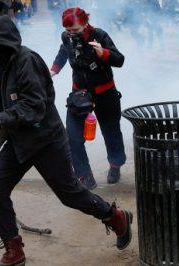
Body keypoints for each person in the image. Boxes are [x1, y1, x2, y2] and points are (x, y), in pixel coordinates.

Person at [0, 15, 133, 266]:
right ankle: (14, 250)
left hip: (46, 140)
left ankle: (115, 216)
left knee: (70, 195)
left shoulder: (26, 61)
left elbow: (34, 105)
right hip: (19, 141)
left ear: (2, 44)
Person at [50, 7, 126, 189]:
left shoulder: (99, 35)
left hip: (105, 92)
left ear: (85, 24)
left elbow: (120, 60)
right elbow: (63, 52)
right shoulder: (66, 37)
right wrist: (53, 70)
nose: (71, 34)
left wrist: (103, 53)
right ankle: (84, 176)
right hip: (79, 94)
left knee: (111, 131)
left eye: (75, 30)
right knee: (73, 136)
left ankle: (115, 165)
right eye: (68, 31)